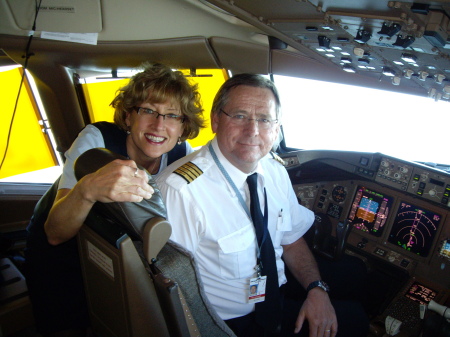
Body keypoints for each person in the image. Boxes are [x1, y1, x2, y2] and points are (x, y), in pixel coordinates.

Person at [156, 74, 369, 337]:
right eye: (240, 116)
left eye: (264, 119)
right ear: (215, 119)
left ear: (277, 129)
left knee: (359, 275)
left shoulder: (273, 168)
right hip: (232, 321)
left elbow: (290, 240)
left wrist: (316, 289)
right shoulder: (182, 191)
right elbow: (172, 289)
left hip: (273, 291)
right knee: (355, 321)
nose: (252, 131)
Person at [24, 62, 205, 337]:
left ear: (183, 127)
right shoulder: (96, 140)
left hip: (115, 251)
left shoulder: (182, 155)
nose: (159, 125)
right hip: (60, 253)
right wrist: (87, 189)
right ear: (129, 115)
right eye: (148, 111)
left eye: (172, 116)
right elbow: (55, 233)